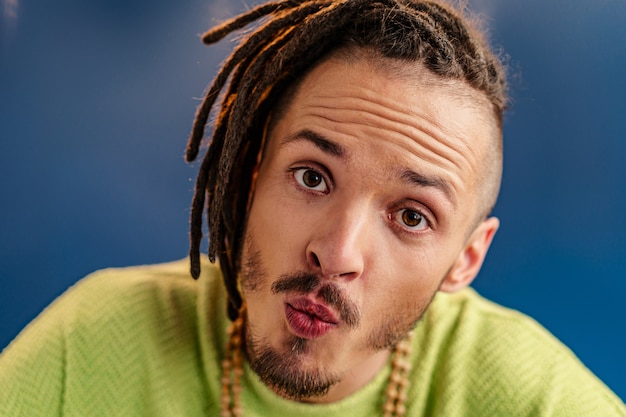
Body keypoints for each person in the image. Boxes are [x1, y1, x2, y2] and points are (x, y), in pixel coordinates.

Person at [1, 0, 624, 415]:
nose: (337, 252)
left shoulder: (524, 392)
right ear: (249, 174)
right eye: (312, 176)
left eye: (411, 215)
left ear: (465, 260)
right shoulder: (92, 345)